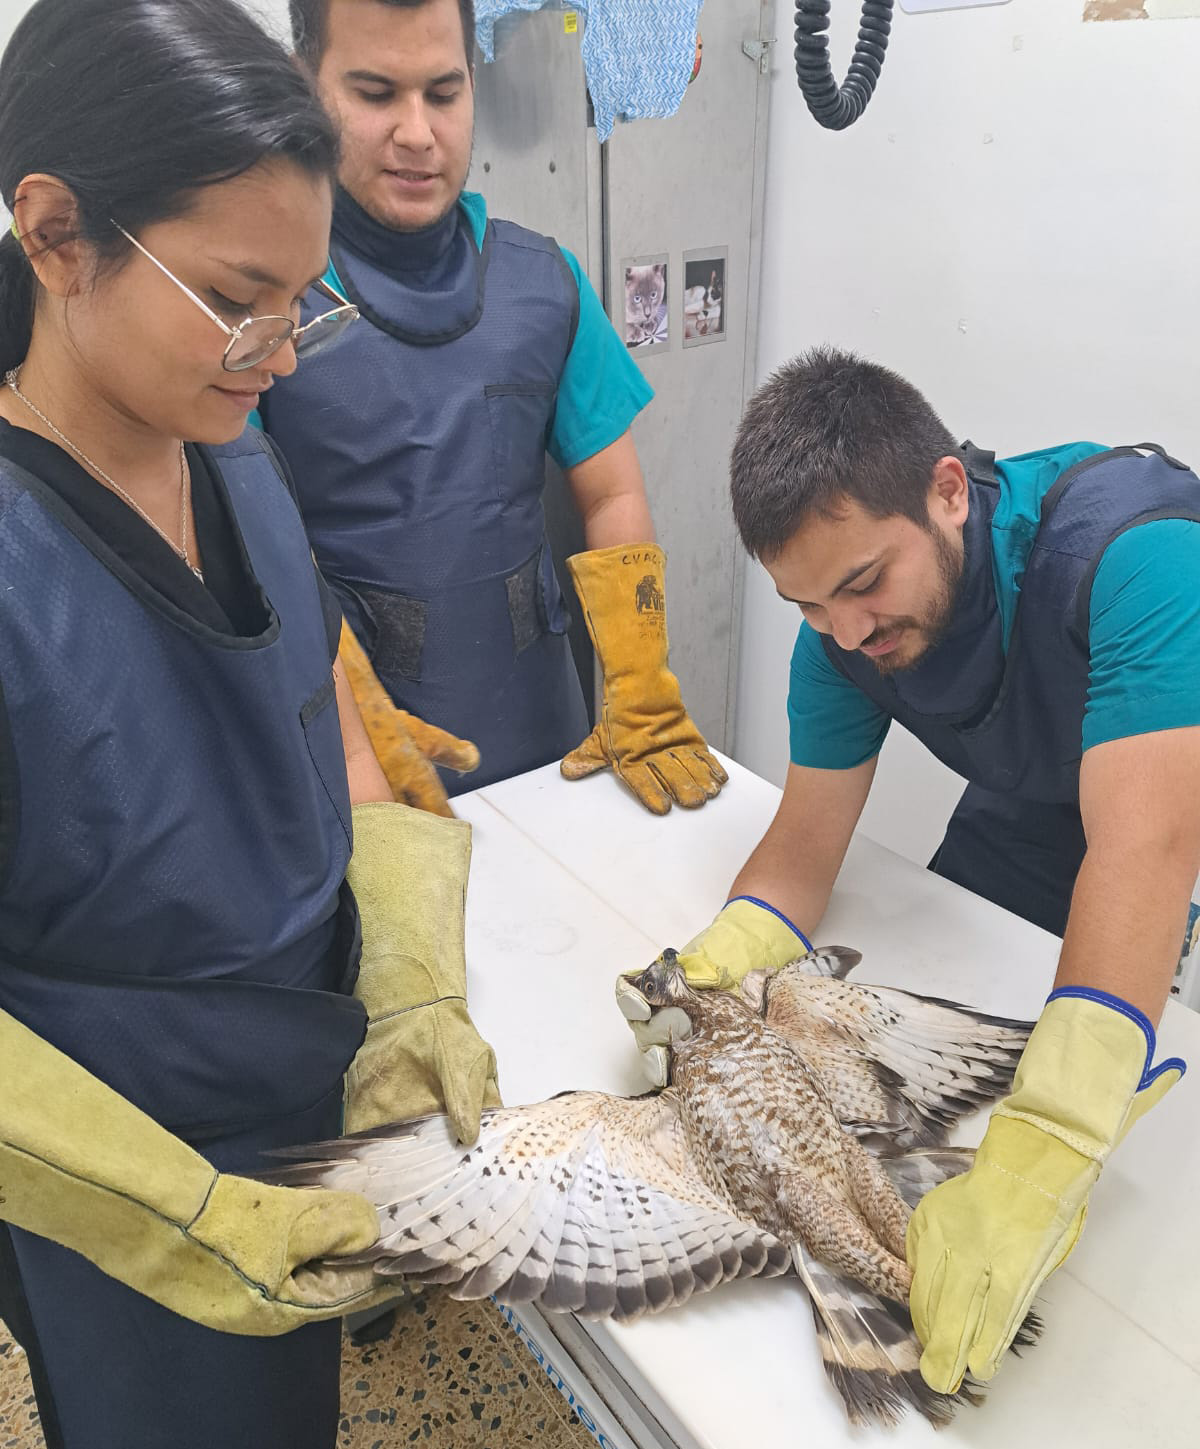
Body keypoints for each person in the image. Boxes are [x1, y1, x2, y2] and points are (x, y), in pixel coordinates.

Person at [0, 3, 497, 1446]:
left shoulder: (234, 449)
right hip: (121, 1171)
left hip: (302, 1101)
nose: (279, 350)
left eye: (305, 301)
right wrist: (181, 1212)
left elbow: (324, 729)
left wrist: (408, 985)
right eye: (237, 298)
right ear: (55, 233)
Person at [618, 346, 1195, 1395]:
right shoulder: (840, 632)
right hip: (1033, 804)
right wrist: (711, 973)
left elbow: (1147, 850)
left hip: (1174, 788)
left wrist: (1049, 1147)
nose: (846, 631)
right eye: (806, 607)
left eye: (863, 584)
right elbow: (801, 850)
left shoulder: (1138, 555)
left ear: (944, 494)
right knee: (960, 1040)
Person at [260, 0, 726, 817]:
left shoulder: (545, 285)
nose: (417, 133)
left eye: (444, 92)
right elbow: (251, 553)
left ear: (475, 80)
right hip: (362, 770)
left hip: (552, 753)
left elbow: (613, 494)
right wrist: (351, 754)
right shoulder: (260, 308)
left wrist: (639, 684)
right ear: (306, 86)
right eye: (375, 93)